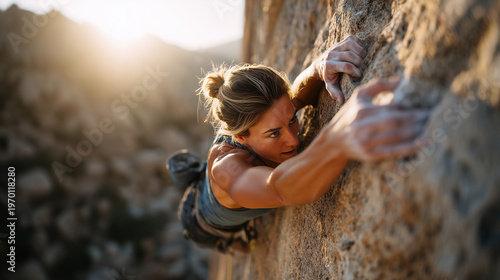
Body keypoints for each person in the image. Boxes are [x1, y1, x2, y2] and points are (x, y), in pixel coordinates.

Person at [173, 35, 429, 253]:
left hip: (217, 185)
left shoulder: (260, 120)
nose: (292, 139)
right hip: (201, 222)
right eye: (274, 134)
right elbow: (279, 189)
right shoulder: (227, 171)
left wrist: (319, 67)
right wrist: (336, 139)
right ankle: (226, 244)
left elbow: (294, 96)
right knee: (229, 242)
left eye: (292, 121)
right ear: (241, 138)